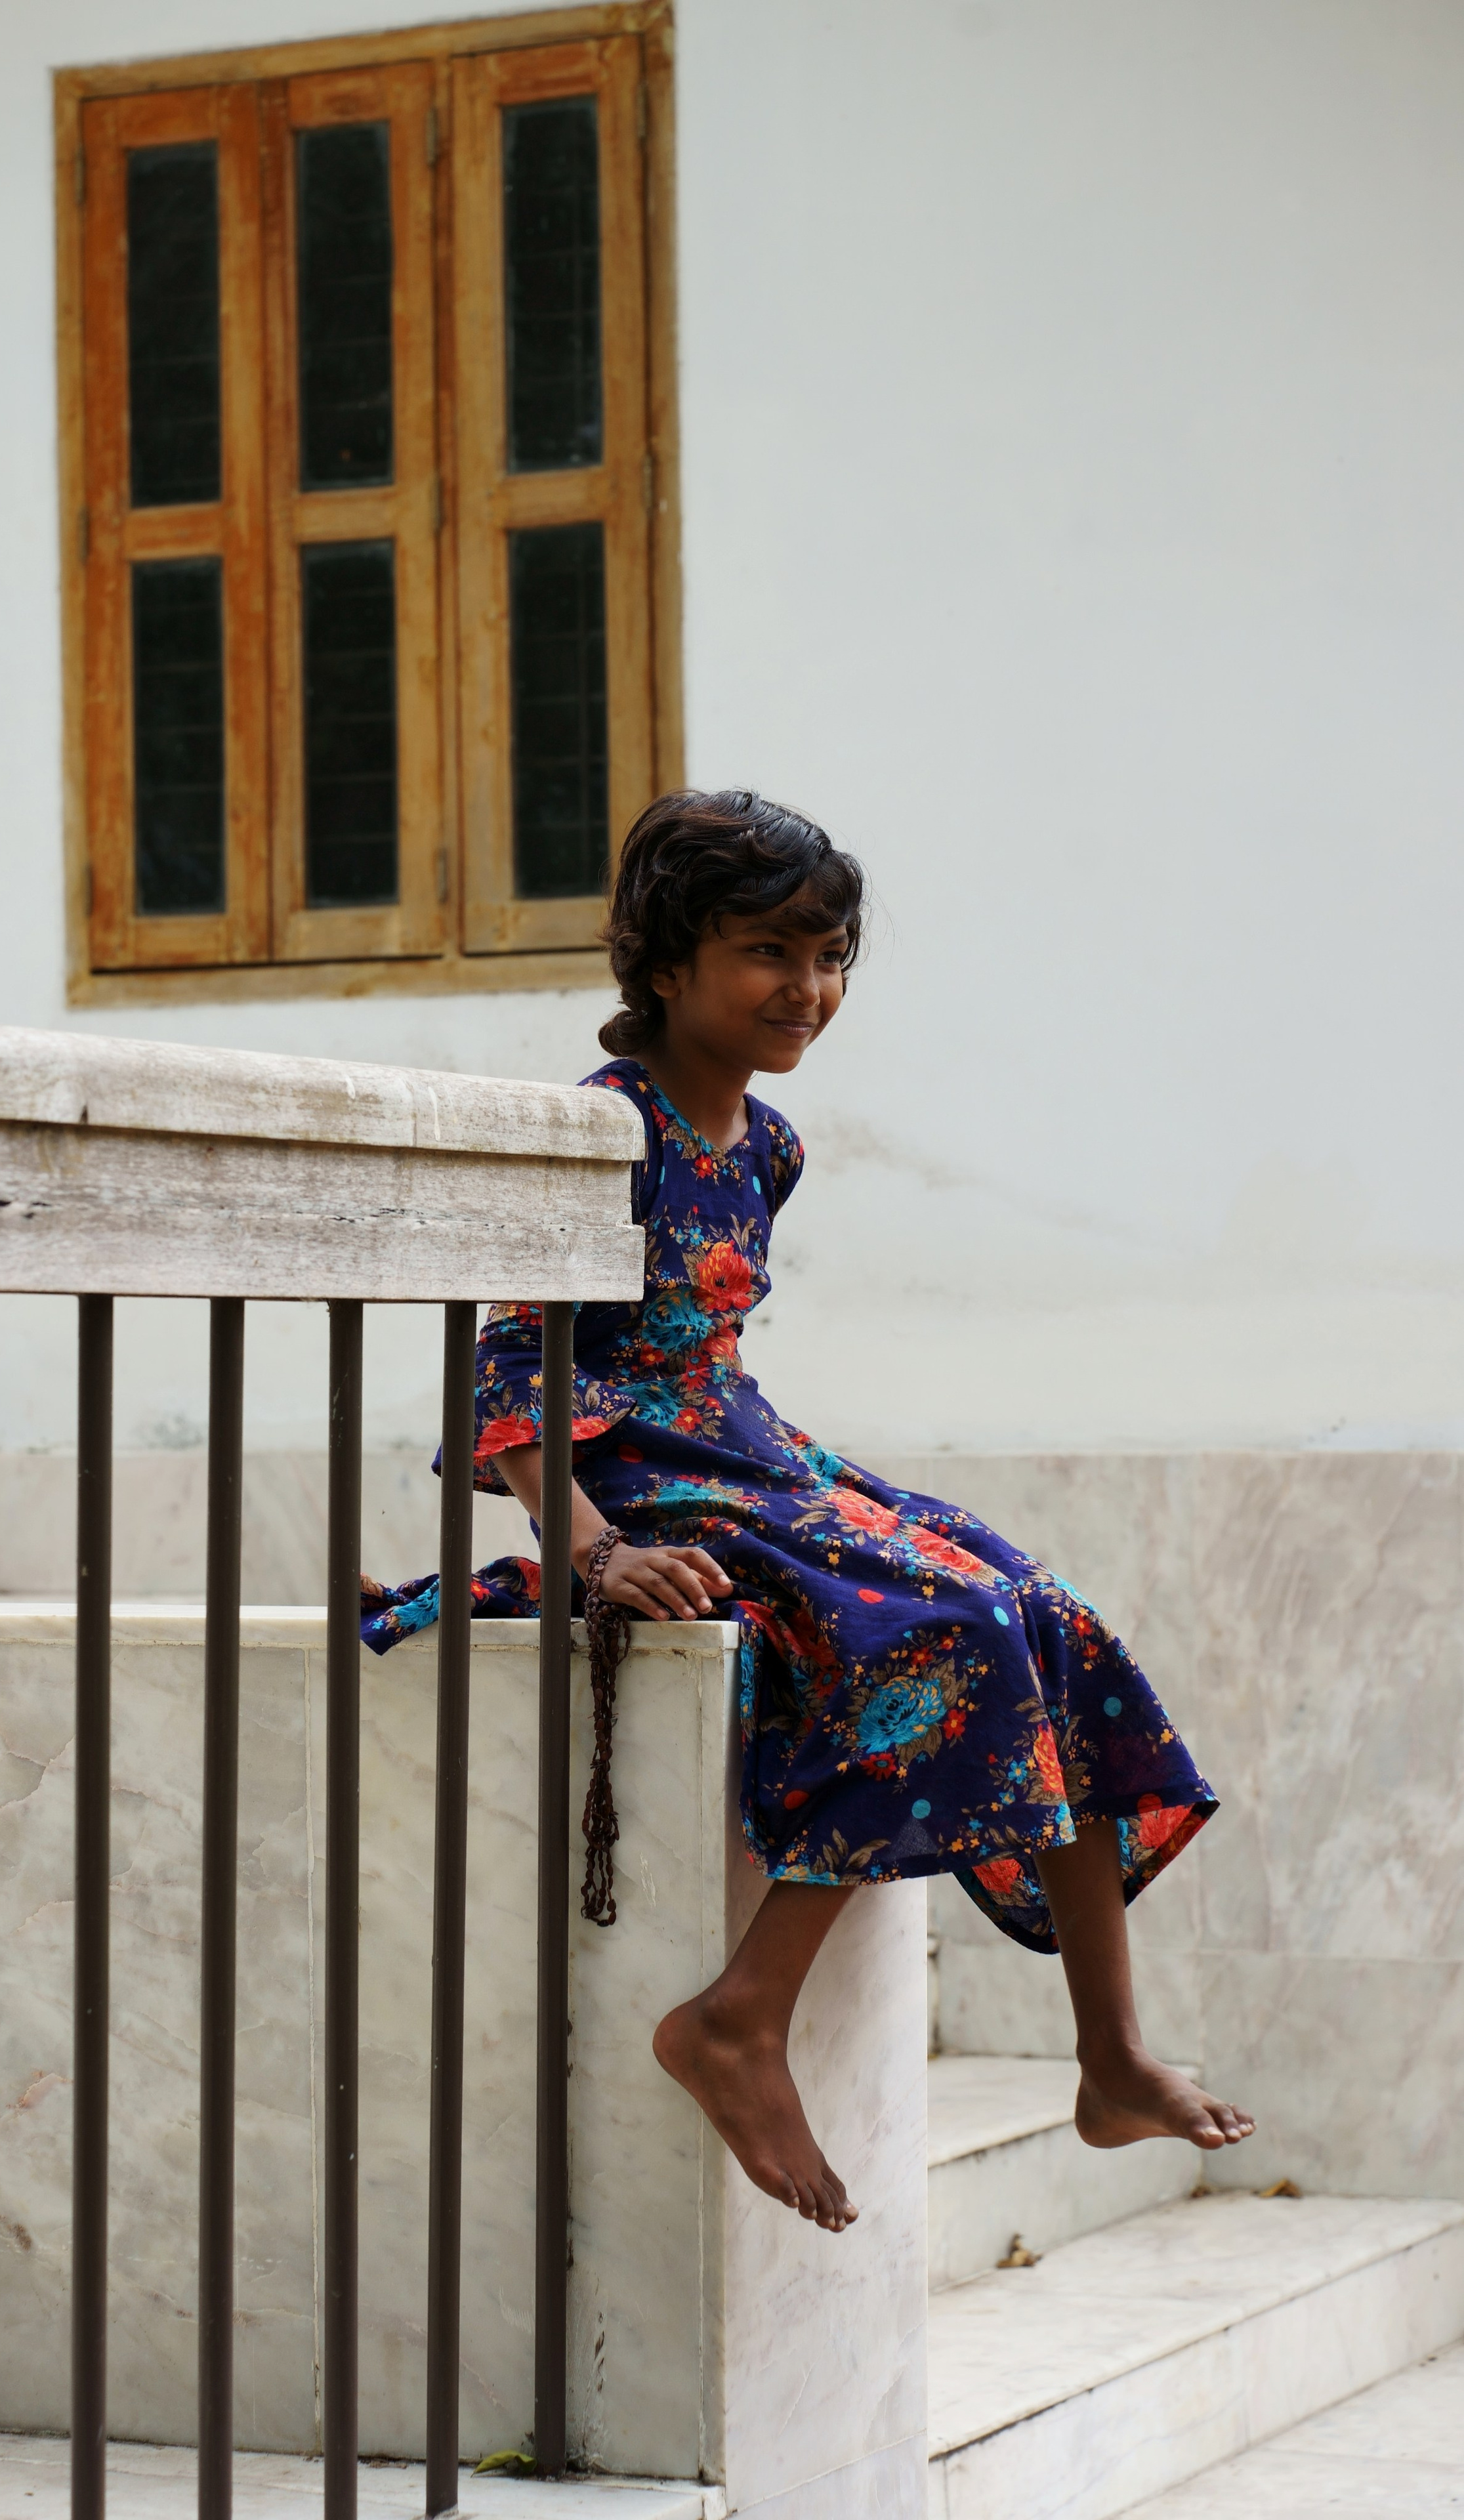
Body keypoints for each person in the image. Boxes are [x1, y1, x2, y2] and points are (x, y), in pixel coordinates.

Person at [364, 788, 1254, 2234]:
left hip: (750, 1451)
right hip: (648, 1471)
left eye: (831, 956)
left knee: (1043, 1613)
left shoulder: (765, 1147)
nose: (809, 990)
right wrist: (592, 1553)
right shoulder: (602, 1135)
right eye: (769, 954)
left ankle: (1107, 2056)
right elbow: (514, 1367)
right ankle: (735, 2015)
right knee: (946, 1622)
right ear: (663, 963)